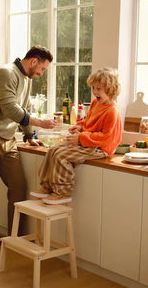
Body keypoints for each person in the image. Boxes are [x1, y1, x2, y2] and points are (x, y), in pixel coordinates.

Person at [0, 45, 57, 251]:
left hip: (8, 140)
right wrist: (39, 123)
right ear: (34, 61)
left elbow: (23, 109)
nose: (41, 73)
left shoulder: (26, 80)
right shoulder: (6, 73)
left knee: (18, 186)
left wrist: (29, 135)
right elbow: (9, 108)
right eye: (42, 69)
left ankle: (15, 236)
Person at [30, 67, 123, 205]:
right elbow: (89, 121)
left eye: (98, 89)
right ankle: (47, 186)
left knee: (61, 155)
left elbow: (107, 137)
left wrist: (81, 138)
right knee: (52, 150)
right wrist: (80, 126)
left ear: (110, 89)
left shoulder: (112, 111)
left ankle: (63, 192)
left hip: (100, 148)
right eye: (93, 88)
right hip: (88, 142)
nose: (94, 92)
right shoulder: (95, 103)